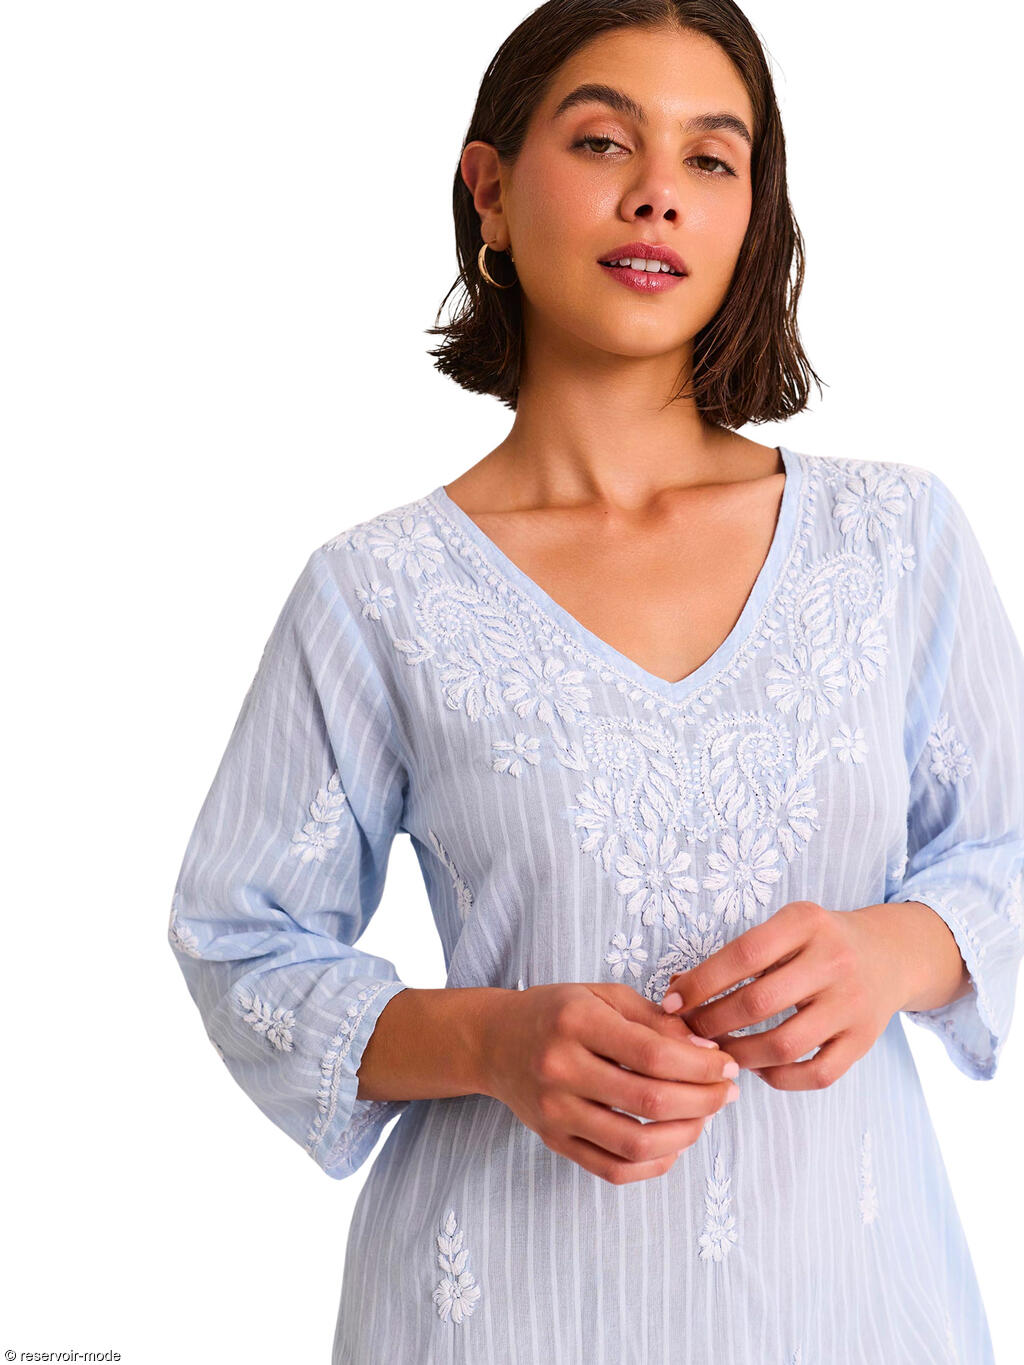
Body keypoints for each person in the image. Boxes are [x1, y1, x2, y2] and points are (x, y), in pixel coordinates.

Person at [167, 2, 1024, 1360]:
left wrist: (890, 952)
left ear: (752, 216)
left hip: (851, 1305)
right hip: (498, 1309)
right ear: (490, 192)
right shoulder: (377, 593)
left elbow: (1011, 853)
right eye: (604, 141)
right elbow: (240, 942)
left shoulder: (894, 541)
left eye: (710, 159)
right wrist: (494, 1041)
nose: (657, 195)